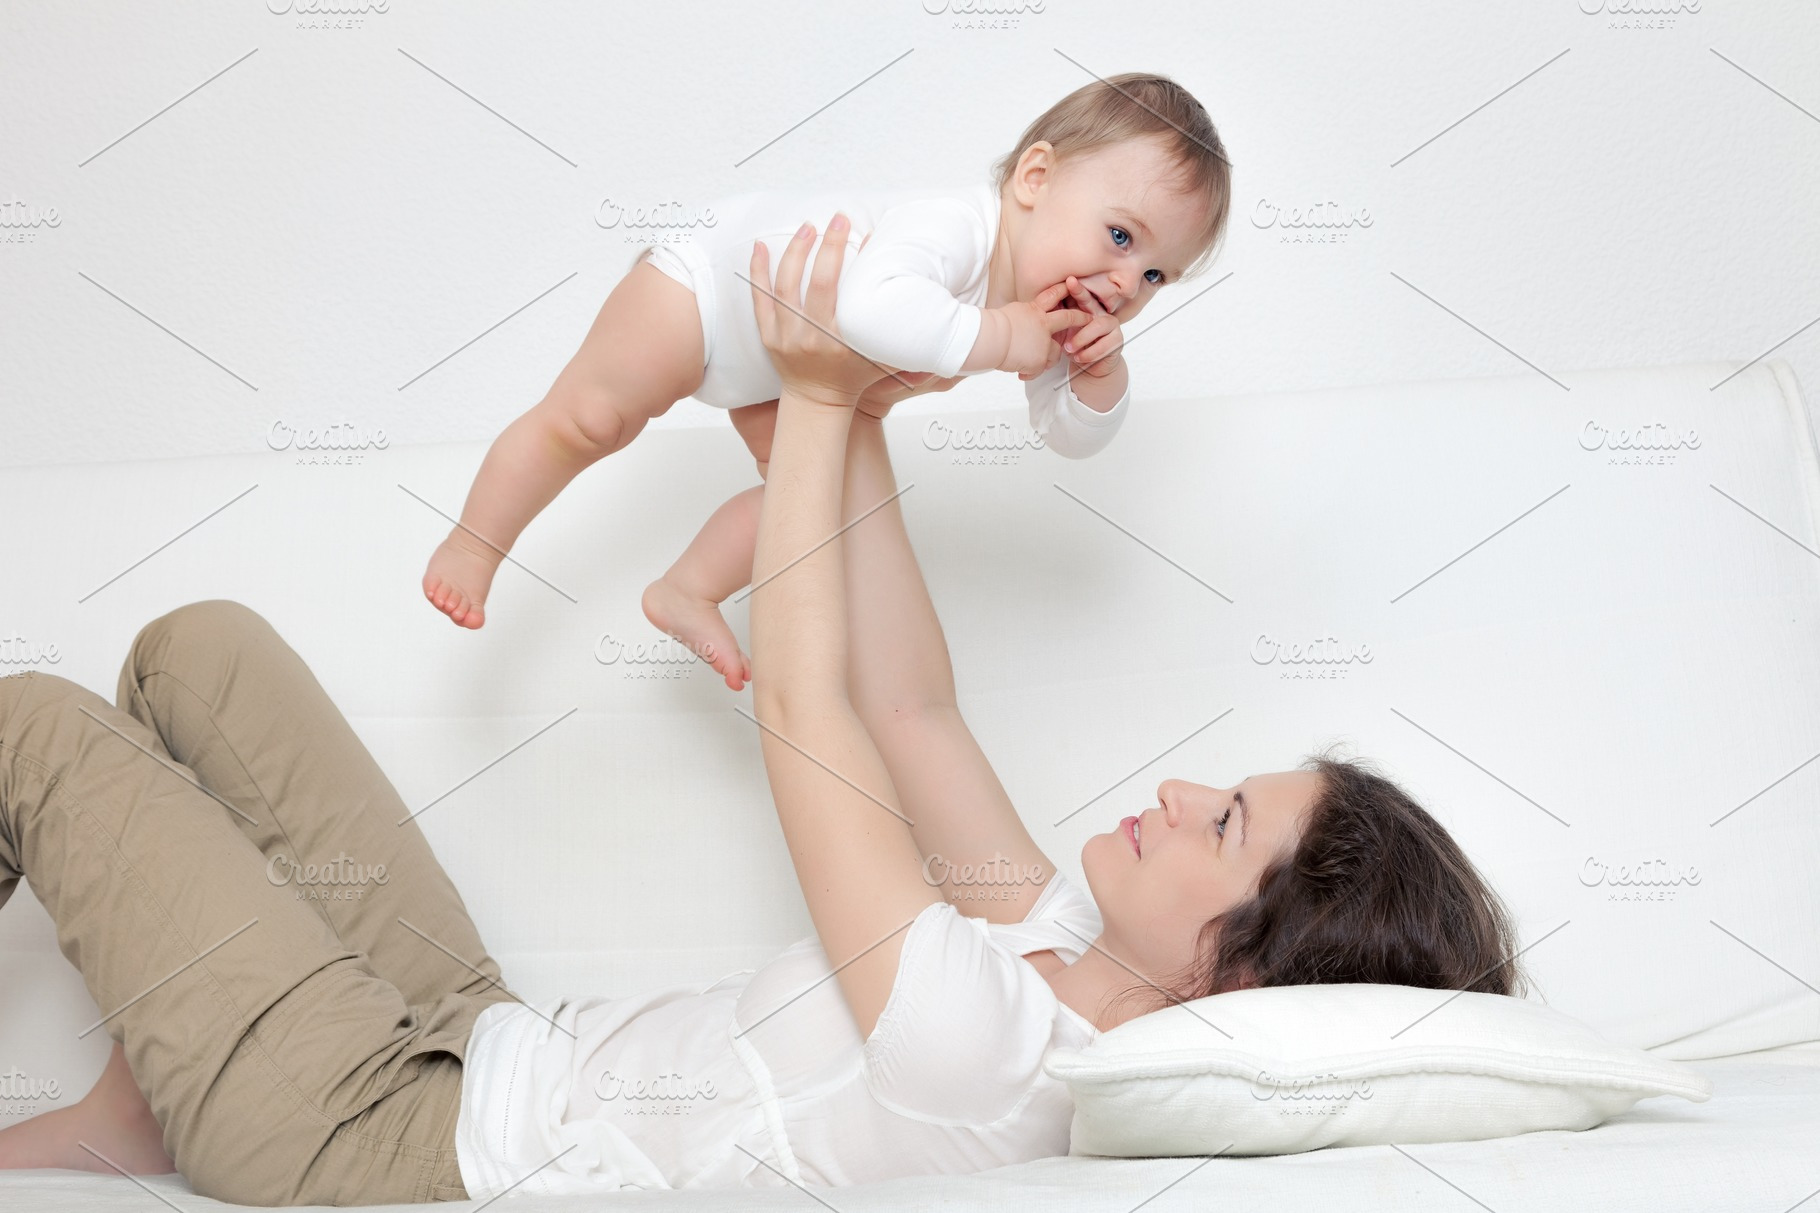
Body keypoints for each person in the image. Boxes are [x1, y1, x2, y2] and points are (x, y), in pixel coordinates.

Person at [0, 217, 1523, 1207]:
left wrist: (801, 401)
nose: (1184, 792)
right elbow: (908, 701)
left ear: (1234, 978)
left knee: (30, 725)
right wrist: (854, 408)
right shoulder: (1045, 937)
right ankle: (140, 1110)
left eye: (1227, 824)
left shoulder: (986, 1058)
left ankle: (213, 1108)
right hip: (477, 1037)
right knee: (196, 651)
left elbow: (810, 702)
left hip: (389, 1154)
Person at [420, 72, 1232, 696]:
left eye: (1158, 272)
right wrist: (998, 337)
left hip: (786, 376)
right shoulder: (958, 227)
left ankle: (686, 589)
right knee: (590, 419)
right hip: (708, 293)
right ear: (1034, 178)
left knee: (817, 506)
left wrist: (1099, 376)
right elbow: (872, 309)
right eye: (1121, 236)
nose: (1126, 281)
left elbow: (1066, 435)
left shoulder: (1052, 315)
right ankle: (475, 540)